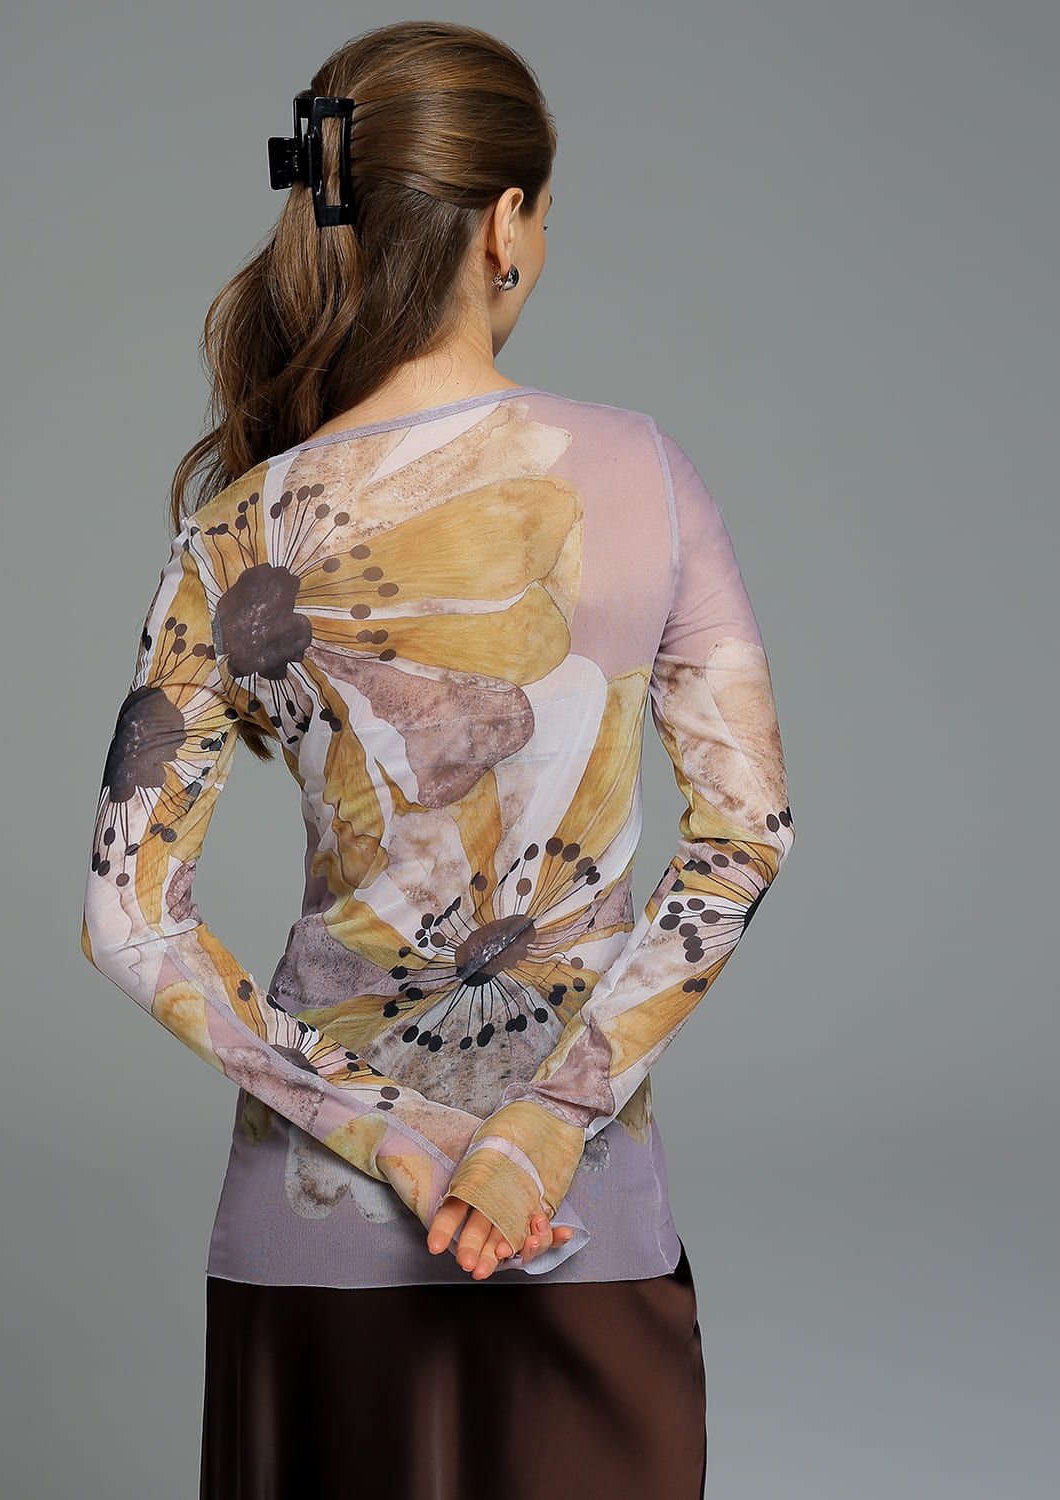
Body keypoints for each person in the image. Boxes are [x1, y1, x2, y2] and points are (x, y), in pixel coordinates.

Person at [79, 20, 794, 1499]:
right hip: (580, 1222)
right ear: (505, 224)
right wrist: (545, 1122)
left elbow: (127, 919)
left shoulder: (235, 532)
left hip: (313, 1234)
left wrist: (392, 1132)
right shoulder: (644, 473)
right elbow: (742, 838)